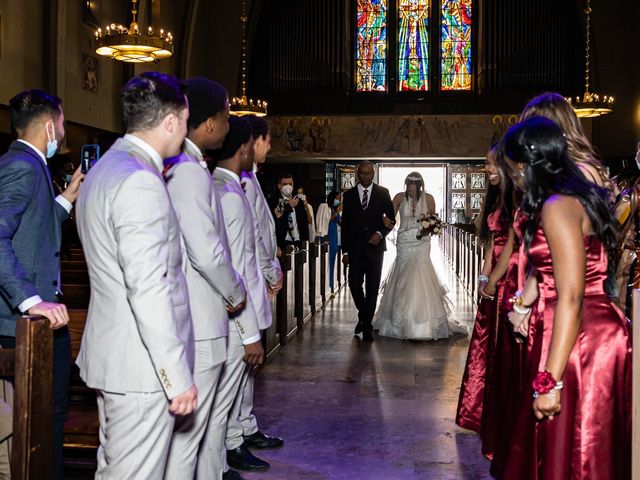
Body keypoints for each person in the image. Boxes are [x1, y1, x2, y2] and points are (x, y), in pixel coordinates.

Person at [75, 72, 197, 479]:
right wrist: (176, 376)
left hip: (117, 359)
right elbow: (149, 288)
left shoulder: (106, 168)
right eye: (185, 120)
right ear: (169, 122)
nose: (185, 131)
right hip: (142, 371)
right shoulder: (140, 181)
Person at [502, 117, 631, 480]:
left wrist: (549, 382)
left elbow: (571, 296)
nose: (513, 177)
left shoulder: (557, 206)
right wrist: (526, 304)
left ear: (525, 164)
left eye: (513, 168)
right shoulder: (570, 197)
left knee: (579, 448)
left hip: (584, 335)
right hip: (584, 326)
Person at [163, 77, 248, 479]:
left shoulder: (186, 168)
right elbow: (208, 252)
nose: (230, 127)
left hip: (194, 314)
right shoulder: (191, 173)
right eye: (228, 117)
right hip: (202, 318)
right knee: (192, 434)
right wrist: (237, 293)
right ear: (210, 123)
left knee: (200, 428)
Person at [0, 89, 83, 480]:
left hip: (36, 322)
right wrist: (30, 300)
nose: (63, 134)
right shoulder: (23, 166)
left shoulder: (28, 164)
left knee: (47, 418)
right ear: (50, 125)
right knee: (42, 422)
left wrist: (66, 199)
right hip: (26, 326)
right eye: (63, 124)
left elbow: (29, 229)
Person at [203, 116, 265, 480]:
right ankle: (218, 467)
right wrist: (247, 328)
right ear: (243, 148)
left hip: (233, 310)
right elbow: (229, 265)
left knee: (225, 399)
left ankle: (221, 462)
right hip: (229, 315)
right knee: (220, 403)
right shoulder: (226, 194)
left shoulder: (229, 188)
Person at [225, 114, 284, 471]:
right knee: (241, 363)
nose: (268, 146)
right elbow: (252, 237)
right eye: (266, 140)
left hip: (254, 280)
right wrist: (269, 268)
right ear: (252, 141)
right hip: (245, 282)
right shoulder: (239, 183)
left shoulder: (251, 179)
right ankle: (233, 439)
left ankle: (245, 426)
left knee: (248, 369)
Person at [456, 145, 511, 432]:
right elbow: (492, 243)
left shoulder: (517, 196)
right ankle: (482, 410)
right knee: (485, 344)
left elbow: (513, 245)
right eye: (486, 163)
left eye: (491, 164)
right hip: (495, 273)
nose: (487, 168)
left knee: (502, 346)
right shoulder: (498, 196)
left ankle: (501, 414)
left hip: (511, 273)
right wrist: (482, 275)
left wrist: (494, 278)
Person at [373, 172, 466, 340]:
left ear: (420, 186)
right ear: (406, 185)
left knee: (421, 274)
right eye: (409, 187)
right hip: (404, 241)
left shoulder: (429, 198)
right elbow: (391, 220)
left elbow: (434, 220)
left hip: (422, 242)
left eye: (415, 187)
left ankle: (423, 325)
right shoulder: (399, 198)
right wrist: (386, 221)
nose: (412, 190)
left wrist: (431, 227)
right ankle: (398, 321)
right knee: (403, 276)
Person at [341, 161, 395, 342]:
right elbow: (346, 225)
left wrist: (380, 233)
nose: (366, 177)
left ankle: (367, 325)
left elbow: (391, 220)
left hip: (375, 249)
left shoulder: (383, 193)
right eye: (362, 174)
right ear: (357, 173)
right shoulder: (348, 196)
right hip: (355, 249)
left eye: (369, 174)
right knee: (354, 284)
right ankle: (364, 315)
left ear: (373, 174)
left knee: (372, 288)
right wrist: (345, 252)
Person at [268, 173, 310, 251]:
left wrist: (305, 242)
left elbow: (304, 223)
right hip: (282, 244)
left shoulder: (298, 201)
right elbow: (276, 220)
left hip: (298, 243)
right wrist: (289, 207)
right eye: (285, 184)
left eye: (290, 184)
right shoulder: (273, 201)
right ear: (279, 186)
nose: (288, 186)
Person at [326, 191, 342, 291]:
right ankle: (329, 285)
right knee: (329, 262)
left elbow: (340, 223)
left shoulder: (335, 210)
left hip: (336, 238)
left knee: (334, 262)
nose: (338, 200)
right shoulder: (327, 208)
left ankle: (332, 284)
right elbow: (328, 221)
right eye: (337, 198)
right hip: (330, 237)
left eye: (340, 198)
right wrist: (337, 212)